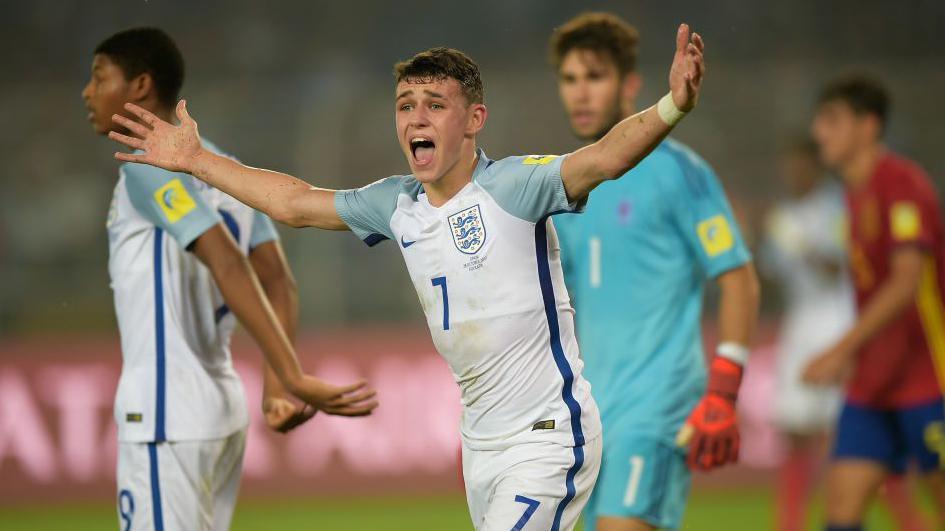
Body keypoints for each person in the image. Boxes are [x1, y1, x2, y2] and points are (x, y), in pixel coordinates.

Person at [105, 24, 706, 531]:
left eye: (435, 105)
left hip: (548, 436)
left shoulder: (516, 187)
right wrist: (194, 160)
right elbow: (294, 203)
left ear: (474, 119)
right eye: (405, 105)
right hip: (481, 443)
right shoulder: (396, 205)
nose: (416, 118)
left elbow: (605, 156)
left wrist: (671, 104)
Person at [82, 27, 377, 531]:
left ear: (140, 86)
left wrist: (291, 375)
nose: (87, 92)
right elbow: (278, 280)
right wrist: (274, 387)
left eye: (98, 76)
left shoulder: (144, 163)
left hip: (165, 414)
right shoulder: (224, 168)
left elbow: (227, 261)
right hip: (220, 411)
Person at [547, 13, 759, 531]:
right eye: (570, 80)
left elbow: (737, 278)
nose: (580, 93)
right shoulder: (562, 184)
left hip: (655, 406)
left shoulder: (679, 172)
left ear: (631, 85)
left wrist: (724, 391)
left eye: (595, 77)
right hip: (587, 413)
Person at [803, 74, 945, 531]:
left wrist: (841, 348)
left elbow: (906, 285)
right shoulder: (852, 193)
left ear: (868, 126)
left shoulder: (902, 183)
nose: (818, 131)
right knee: (841, 512)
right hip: (873, 381)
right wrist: (859, 355)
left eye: (831, 120)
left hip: (930, 376)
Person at [761, 139, 852, 531]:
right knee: (795, 430)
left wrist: (795, 241)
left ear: (816, 165)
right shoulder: (784, 214)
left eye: (799, 165)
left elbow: (835, 267)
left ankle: (843, 515)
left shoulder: (840, 207)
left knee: (840, 432)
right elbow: (770, 275)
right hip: (800, 323)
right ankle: (791, 522)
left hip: (839, 321)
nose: (792, 174)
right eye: (788, 166)